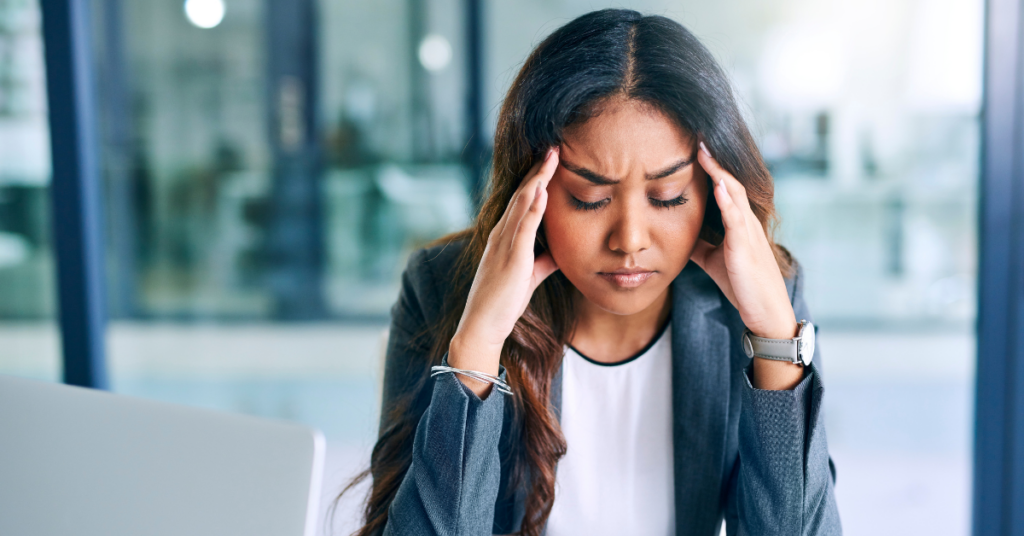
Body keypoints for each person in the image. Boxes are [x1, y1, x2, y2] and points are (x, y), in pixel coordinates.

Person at [337, 8, 841, 536]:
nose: (629, 240)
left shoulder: (758, 300)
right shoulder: (441, 288)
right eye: (589, 198)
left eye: (667, 197)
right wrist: (478, 347)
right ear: (531, 190)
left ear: (714, 195)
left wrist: (774, 341)